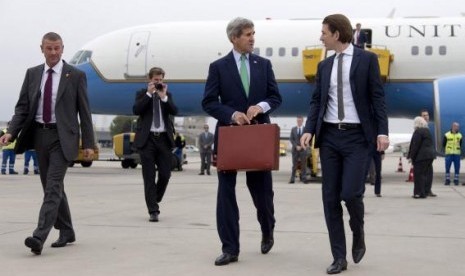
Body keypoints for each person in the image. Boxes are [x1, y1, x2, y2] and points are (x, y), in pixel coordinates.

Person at [300, 14, 389, 274]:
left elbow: (377, 98)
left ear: (337, 34)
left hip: (357, 137)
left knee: (350, 193)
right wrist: (308, 130)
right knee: (329, 199)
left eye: (324, 32)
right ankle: (339, 257)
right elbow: (317, 101)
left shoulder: (367, 60)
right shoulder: (324, 66)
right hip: (329, 137)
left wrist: (382, 132)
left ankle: (358, 230)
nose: (320, 37)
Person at [0, 32, 95, 255]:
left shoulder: (76, 75)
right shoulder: (32, 74)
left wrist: (89, 143)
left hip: (64, 138)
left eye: (57, 48)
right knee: (52, 188)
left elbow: (85, 111)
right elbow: (22, 107)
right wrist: (11, 133)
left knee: (52, 188)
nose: (53, 53)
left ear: (63, 49)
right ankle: (68, 230)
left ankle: (39, 236)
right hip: (40, 137)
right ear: (41, 48)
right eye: (49, 48)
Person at [202, 17, 282, 266]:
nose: (252, 38)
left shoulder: (263, 65)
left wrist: (260, 106)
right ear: (233, 38)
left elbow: (275, 97)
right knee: (225, 194)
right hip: (230, 137)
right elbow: (209, 102)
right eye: (247, 34)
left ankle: (267, 228)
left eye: (253, 33)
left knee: (262, 194)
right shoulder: (218, 67)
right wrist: (232, 114)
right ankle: (230, 248)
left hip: (258, 136)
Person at [133, 67, 178, 222]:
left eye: (160, 80)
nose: (158, 83)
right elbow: (136, 110)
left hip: (164, 140)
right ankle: (153, 210)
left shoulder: (167, 95)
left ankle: (154, 197)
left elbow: (175, 111)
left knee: (166, 174)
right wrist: (148, 94)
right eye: (155, 80)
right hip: (147, 140)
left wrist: (164, 97)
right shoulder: (141, 94)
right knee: (149, 176)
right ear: (150, 79)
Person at [407, 117, 436, 198]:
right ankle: (426, 191)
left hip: (421, 157)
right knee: (427, 174)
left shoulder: (418, 132)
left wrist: (411, 157)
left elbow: (415, 145)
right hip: (430, 156)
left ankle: (419, 193)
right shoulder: (427, 131)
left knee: (419, 175)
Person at [419, 109, 437, 197]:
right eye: (424, 115)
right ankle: (423, 191)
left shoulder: (430, 127)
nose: (426, 117)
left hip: (429, 155)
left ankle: (428, 190)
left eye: (427, 115)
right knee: (423, 174)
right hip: (423, 156)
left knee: (430, 174)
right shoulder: (420, 128)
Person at [289, 116, 309, 184]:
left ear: (302, 121)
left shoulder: (305, 129)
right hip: (295, 150)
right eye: (298, 120)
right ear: (297, 121)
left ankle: (304, 179)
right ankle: (292, 179)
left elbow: (307, 139)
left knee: (303, 165)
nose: (299, 122)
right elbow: (291, 139)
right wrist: (296, 146)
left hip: (303, 149)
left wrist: (302, 146)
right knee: (294, 165)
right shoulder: (293, 129)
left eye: (300, 120)